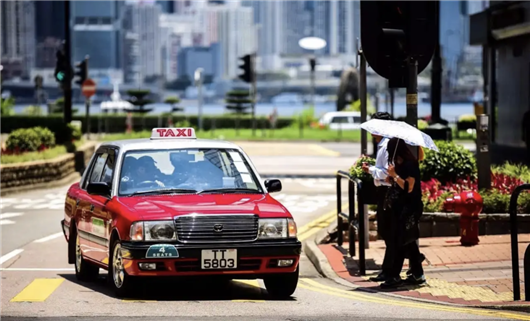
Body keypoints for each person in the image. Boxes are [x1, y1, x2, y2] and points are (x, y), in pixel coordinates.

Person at [380, 137, 426, 288]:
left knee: (400, 240)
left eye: (390, 151)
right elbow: (398, 185)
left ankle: (394, 276)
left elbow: (408, 187)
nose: (388, 154)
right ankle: (418, 275)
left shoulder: (410, 164)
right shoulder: (398, 165)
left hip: (410, 208)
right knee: (409, 241)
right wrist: (390, 178)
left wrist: (395, 176)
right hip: (400, 207)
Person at [361, 112, 393, 282]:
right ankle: (414, 260)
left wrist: (371, 170)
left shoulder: (387, 145)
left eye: (375, 128)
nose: (372, 132)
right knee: (388, 232)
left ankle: (389, 271)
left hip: (388, 193)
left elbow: (388, 173)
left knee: (388, 232)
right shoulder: (383, 144)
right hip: (383, 192)